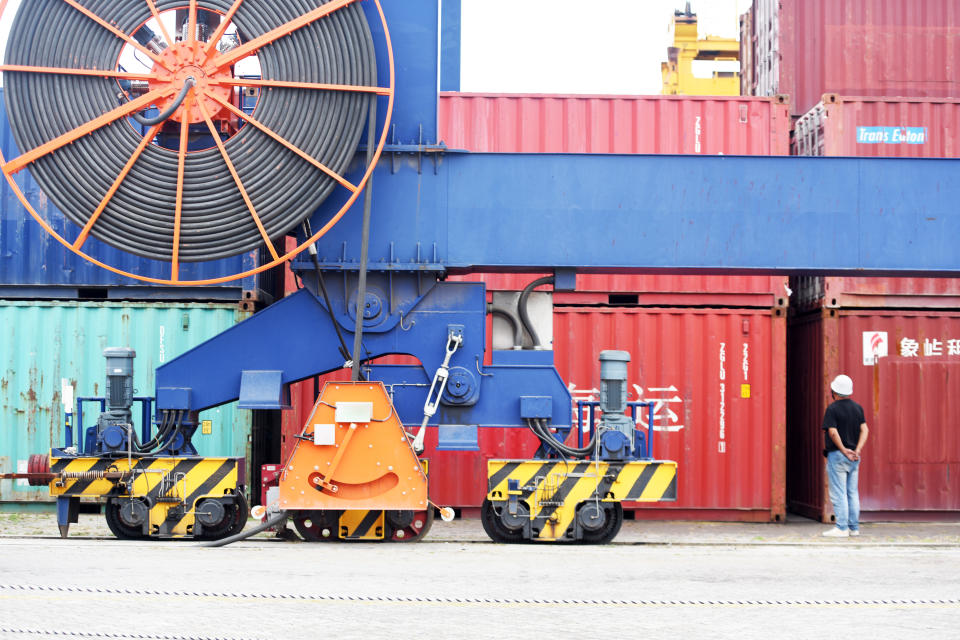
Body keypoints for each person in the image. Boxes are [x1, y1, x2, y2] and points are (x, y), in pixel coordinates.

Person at [821, 374, 869, 538]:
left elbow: (832, 432)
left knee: (839, 492)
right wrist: (857, 449)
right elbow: (865, 430)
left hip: (838, 455)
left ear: (834, 391)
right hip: (854, 457)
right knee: (852, 493)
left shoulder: (832, 409)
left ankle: (841, 527)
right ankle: (854, 528)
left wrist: (842, 449)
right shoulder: (858, 408)